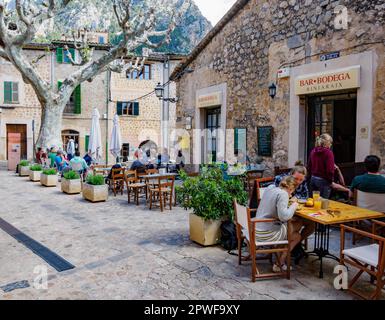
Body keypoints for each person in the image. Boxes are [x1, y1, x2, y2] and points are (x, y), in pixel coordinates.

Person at [255, 176, 302, 272]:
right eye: (292, 192)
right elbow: (284, 217)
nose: (291, 194)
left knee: (294, 228)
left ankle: (279, 256)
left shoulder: (271, 188)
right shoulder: (284, 194)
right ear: (290, 188)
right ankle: (279, 262)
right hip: (266, 234)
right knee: (297, 235)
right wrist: (294, 205)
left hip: (257, 228)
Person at [307, 133, 335, 199]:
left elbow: (309, 166)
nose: (331, 144)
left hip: (313, 179)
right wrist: (330, 181)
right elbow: (330, 170)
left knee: (312, 201)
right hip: (324, 181)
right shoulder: (328, 153)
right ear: (327, 142)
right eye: (330, 142)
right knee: (322, 203)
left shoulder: (313, 151)